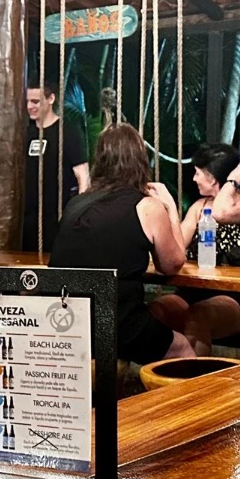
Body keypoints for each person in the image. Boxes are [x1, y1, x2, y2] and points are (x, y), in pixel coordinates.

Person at [49, 123, 195, 364]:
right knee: (182, 348)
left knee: (158, 312)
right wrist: (169, 205)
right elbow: (172, 264)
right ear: (140, 159)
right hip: (113, 322)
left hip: (64, 319)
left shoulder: (76, 203)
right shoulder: (146, 206)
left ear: (100, 161)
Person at [149, 144, 240, 355]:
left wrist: (232, 183)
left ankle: (196, 376)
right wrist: (170, 208)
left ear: (212, 178)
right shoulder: (199, 207)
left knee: (199, 316)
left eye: (198, 173)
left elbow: (220, 213)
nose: (194, 179)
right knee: (156, 310)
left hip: (237, 297)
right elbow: (177, 246)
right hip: (193, 291)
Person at [23, 84, 90, 253]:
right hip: (25, 219)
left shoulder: (68, 131)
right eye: (27, 102)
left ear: (51, 99)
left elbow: (83, 176)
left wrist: (77, 213)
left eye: (35, 101)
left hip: (57, 217)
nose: (30, 106)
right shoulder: (24, 132)